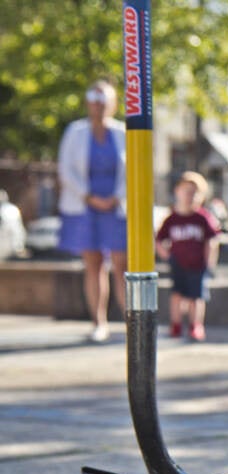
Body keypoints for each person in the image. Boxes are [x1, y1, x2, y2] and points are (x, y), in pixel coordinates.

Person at [57, 80, 127, 343]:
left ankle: (131, 321)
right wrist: (89, 197)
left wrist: (115, 198)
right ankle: (99, 322)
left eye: (103, 100)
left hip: (116, 207)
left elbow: (133, 171)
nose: (98, 105)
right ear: (88, 103)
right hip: (84, 206)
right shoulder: (75, 132)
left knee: (122, 264)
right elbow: (66, 170)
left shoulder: (122, 132)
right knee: (94, 265)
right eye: (94, 99)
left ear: (113, 103)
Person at [155, 172, 219, 341]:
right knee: (176, 294)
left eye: (194, 192)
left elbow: (212, 240)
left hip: (198, 263)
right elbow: (159, 239)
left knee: (196, 297)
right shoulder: (172, 219)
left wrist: (209, 262)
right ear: (177, 192)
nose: (190, 195)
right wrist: (166, 255)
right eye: (186, 190)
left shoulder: (202, 218)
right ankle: (175, 324)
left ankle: (196, 324)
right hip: (178, 263)